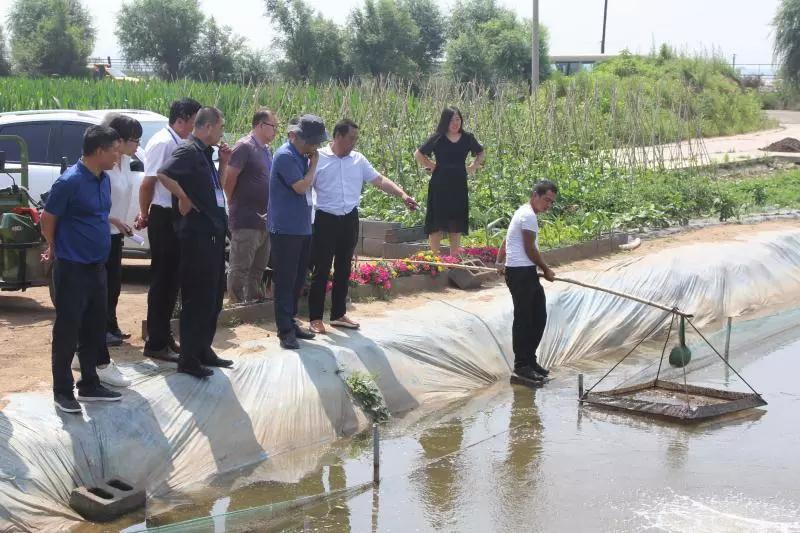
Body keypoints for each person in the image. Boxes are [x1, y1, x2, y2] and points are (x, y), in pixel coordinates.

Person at [41, 125, 124, 413]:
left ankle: (89, 383)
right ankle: (62, 391)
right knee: (68, 329)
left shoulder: (104, 180)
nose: (118, 155)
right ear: (99, 151)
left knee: (93, 328)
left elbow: (95, 214)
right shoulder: (69, 182)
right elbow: (48, 218)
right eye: (114, 150)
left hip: (96, 267)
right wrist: (54, 246)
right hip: (73, 267)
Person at [308, 119, 419, 334]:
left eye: (356, 139)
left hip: (349, 218)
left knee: (344, 267)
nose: (354, 143)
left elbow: (379, 180)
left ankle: (338, 314)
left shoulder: (358, 160)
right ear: (338, 136)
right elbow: (305, 185)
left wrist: (402, 195)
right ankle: (314, 318)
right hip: (324, 218)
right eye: (351, 138)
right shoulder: (318, 157)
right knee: (321, 269)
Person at [157, 107, 234, 379]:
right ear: (209, 126)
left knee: (213, 298)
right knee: (197, 299)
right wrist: (182, 196)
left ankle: (204, 350)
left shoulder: (206, 153)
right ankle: (188, 358)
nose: (222, 132)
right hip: (197, 236)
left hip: (213, 234)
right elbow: (163, 174)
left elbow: (217, 189)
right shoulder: (188, 150)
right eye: (221, 126)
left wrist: (224, 162)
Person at [69, 113, 142, 388]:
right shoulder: (102, 167)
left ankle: (88, 351)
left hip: (115, 236)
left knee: (109, 292)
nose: (136, 145)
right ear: (117, 140)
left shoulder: (122, 163)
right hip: (100, 236)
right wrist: (111, 220)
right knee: (95, 300)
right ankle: (97, 358)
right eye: (132, 140)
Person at [136, 97, 202, 363]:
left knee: (173, 280)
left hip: (176, 215)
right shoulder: (162, 142)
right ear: (182, 119)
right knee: (162, 281)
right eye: (195, 120)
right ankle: (156, 342)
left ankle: (164, 334)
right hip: (163, 215)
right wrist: (145, 214)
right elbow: (147, 184)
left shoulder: (179, 142)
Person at [268, 114, 327, 350]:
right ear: (299, 138)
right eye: (313, 142)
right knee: (285, 280)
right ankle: (284, 331)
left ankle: (291, 321)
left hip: (302, 226)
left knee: (298, 278)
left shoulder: (301, 155)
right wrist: (314, 165)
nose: (316, 147)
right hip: (285, 228)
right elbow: (301, 186)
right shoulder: (285, 156)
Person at [496, 180, 558, 382]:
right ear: (535, 195)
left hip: (524, 271)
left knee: (538, 316)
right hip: (520, 272)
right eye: (546, 200)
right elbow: (530, 249)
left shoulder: (524, 213)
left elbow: (507, 238)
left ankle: (529, 360)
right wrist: (546, 269)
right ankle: (522, 365)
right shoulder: (528, 215)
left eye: (551, 202)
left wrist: (499, 260)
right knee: (524, 319)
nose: (548, 205)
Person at [414, 106, 485, 256]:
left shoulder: (468, 138)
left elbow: (481, 152)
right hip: (440, 184)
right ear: (445, 121)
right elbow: (418, 154)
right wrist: (431, 165)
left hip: (459, 184)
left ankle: (454, 259)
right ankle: (434, 260)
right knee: (437, 223)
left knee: (456, 223)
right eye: (452, 120)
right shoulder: (438, 137)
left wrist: (473, 167)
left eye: (458, 119)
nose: (455, 123)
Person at [223, 108, 278, 304]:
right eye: (273, 126)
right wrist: (232, 201)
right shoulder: (244, 146)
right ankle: (236, 303)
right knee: (240, 265)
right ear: (261, 125)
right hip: (246, 217)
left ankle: (252, 300)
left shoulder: (266, 150)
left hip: (265, 220)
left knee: (258, 266)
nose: (276, 131)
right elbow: (229, 178)